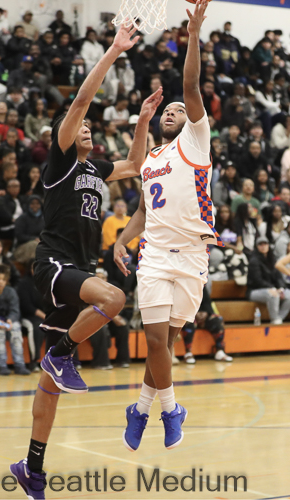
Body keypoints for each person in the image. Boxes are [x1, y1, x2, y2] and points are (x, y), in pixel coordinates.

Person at [9, 22, 163, 498]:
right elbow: (79, 104)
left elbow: (136, 165)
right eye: (84, 128)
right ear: (67, 133)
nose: (89, 132)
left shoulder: (96, 168)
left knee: (48, 389)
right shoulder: (60, 162)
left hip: (77, 272)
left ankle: (32, 466)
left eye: (94, 130)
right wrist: (115, 51)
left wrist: (140, 122)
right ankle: (63, 353)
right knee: (116, 298)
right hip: (54, 265)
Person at [113, 0, 222, 453]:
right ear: (161, 121)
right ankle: (171, 410)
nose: (174, 111)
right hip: (155, 253)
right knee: (155, 338)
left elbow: (191, 85)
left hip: (194, 254)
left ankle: (140, 407)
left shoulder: (196, 141)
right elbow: (143, 210)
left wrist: (193, 34)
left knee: (167, 344)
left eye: (180, 109)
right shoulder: (152, 159)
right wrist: (123, 237)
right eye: (169, 111)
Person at [181, 287, 233, 364]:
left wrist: (206, 312)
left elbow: (207, 301)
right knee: (189, 322)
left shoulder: (200, 282)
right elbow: (181, 303)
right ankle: (188, 352)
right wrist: (194, 313)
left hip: (202, 313)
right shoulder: (181, 284)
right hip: (188, 314)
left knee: (217, 319)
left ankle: (219, 350)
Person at [247, 236, 290, 325]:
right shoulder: (254, 261)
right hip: (255, 291)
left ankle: (279, 319)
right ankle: (275, 320)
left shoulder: (273, 259)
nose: (263, 246)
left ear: (268, 245)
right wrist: (272, 288)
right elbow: (257, 280)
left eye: (265, 243)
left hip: (272, 288)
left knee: (288, 295)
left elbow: (278, 277)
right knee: (273, 294)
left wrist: (281, 288)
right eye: (260, 244)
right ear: (257, 246)